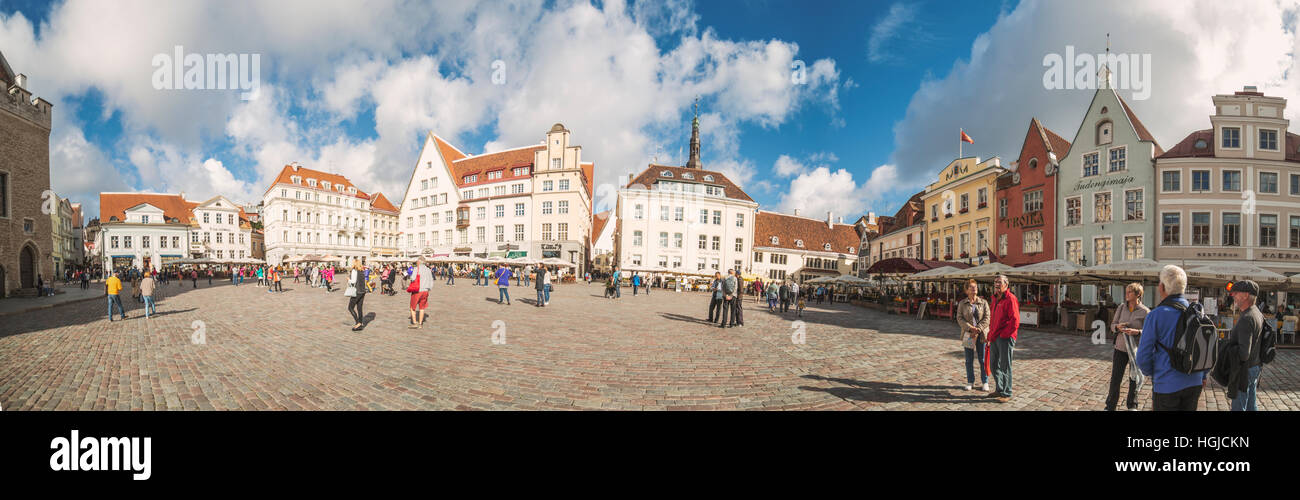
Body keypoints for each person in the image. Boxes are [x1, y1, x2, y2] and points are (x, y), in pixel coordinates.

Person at [1137, 265, 1206, 411]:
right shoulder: (1197, 312)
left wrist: (1153, 373)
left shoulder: (1156, 315)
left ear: (1161, 287)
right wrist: (1203, 374)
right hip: (1194, 381)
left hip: (1167, 383)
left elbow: (1143, 357)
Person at [1106, 283, 1149, 411]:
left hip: (1136, 350)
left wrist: (1138, 332)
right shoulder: (1121, 307)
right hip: (1120, 348)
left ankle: (1132, 405)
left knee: (1134, 377)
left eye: (1130, 292)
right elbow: (1113, 325)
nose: (1126, 294)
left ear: (1138, 295)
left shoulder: (1145, 311)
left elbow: (1148, 332)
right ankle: (1110, 406)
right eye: (1126, 291)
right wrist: (1117, 327)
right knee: (1116, 378)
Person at [1226, 280, 1265, 411]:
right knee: (1251, 405)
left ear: (1246, 295)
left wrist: (1226, 347)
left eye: (1235, 293)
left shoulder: (1247, 317)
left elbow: (1243, 354)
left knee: (1239, 407)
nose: (1233, 296)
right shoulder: (1257, 312)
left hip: (1244, 370)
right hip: (1254, 366)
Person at [987, 274, 1019, 402]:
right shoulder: (995, 298)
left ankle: (1006, 392)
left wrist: (1004, 335)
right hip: (994, 336)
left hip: (1005, 337)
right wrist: (990, 334)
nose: (997, 284)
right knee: (994, 365)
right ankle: (999, 389)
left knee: (1005, 365)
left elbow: (1015, 320)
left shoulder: (1010, 298)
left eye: (999, 282)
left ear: (1006, 284)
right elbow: (993, 318)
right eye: (995, 281)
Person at [956, 279, 990, 391]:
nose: (974, 288)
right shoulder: (962, 303)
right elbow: (959, 318)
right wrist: (970, 328)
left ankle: (985, 381)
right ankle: (970, 381)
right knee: (969, 359)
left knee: (983, 359)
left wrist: (978, 329)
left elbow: (987, 318)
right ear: (966, 290)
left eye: (975, 286)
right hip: (968, 334)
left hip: (981, 334)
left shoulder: (983, 302)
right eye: (971, 287)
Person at [409, 258, 434, 329]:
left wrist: (410, 276)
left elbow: (413, 278)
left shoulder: (417, 269)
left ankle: (414, 323)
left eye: (417, 262)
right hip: (426, 291)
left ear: (419, 262)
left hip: (417, 290)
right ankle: (420, 324)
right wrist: (429, 288)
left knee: (412, 307)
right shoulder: (428, 270)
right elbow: (431, 280)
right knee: (422, 307)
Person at [347, 259, 368, 331]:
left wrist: (348, 280)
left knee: (350, 307)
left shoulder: (354, 270)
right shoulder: (362, 271)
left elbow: (353, 281)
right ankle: (361, 323)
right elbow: (364, 281)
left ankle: (358, 323)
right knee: (359, 308)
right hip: (362, 291)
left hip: (357, 291)